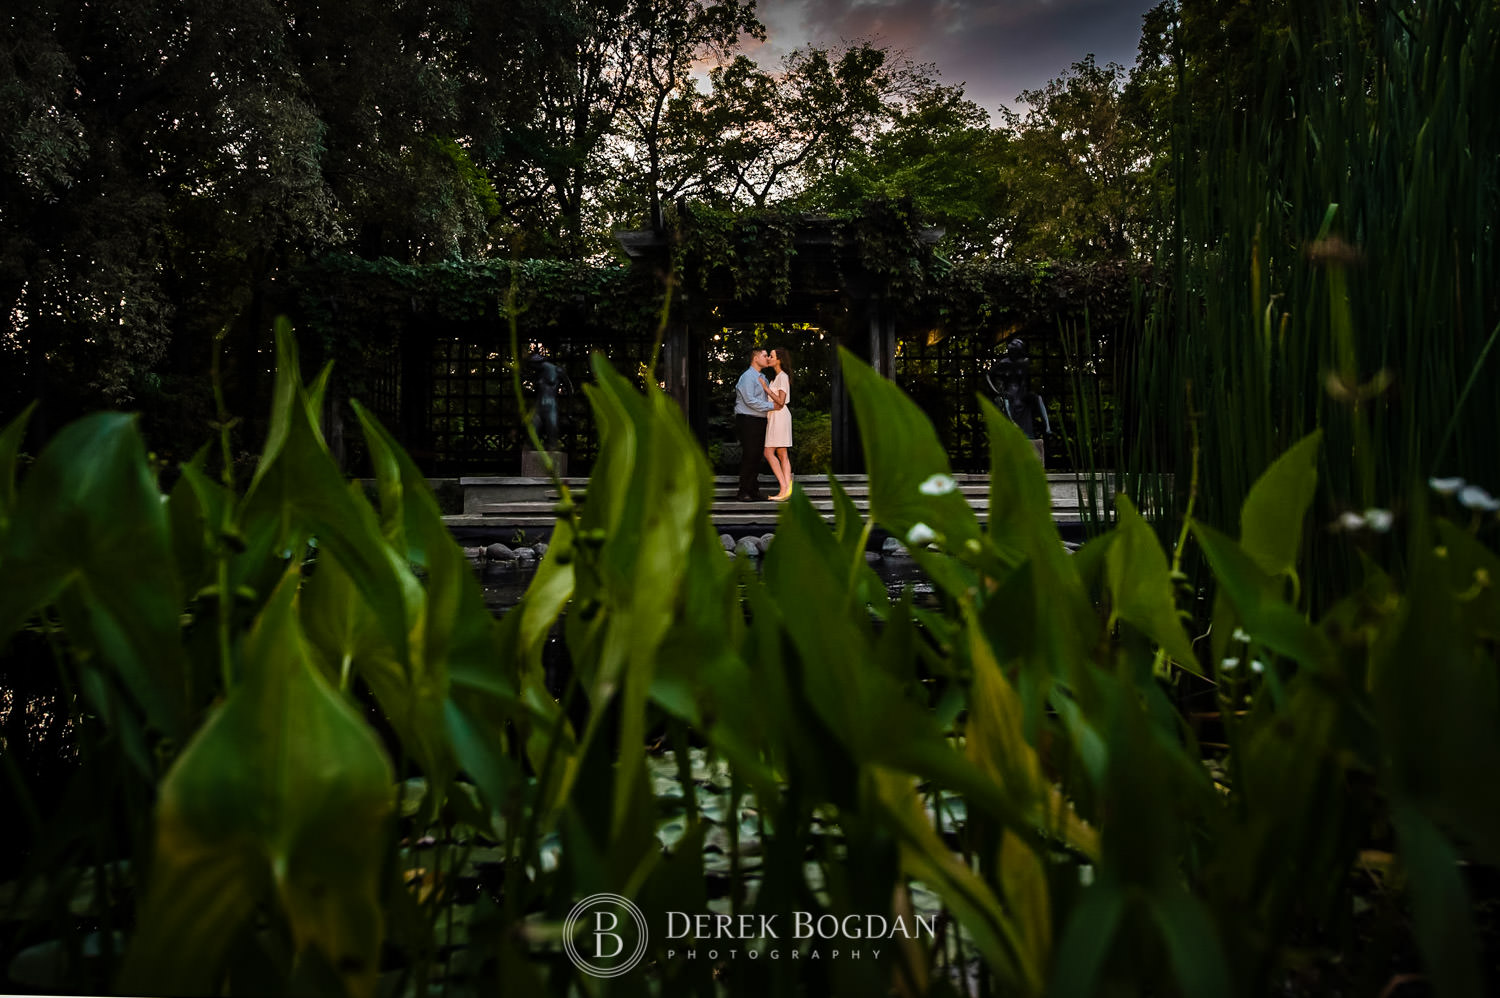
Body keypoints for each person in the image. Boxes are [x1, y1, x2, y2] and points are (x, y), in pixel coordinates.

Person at [733, 347, 782, 501]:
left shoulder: (763, 378)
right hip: (748, 419)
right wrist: (772, 406)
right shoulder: (748, 377)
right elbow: (750, 400)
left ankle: (753, 490)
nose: (767, 358)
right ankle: (743, 492)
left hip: (759, 420)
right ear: (755, 358)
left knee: (756, 456)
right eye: (764, 355)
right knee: (750, 454)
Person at [762, 347, 793, 500]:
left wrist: (766, 389)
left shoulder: (782, 377)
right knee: (782, 453)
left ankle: (784, 487)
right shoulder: (777, 377)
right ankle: (785, 490)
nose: (768, 358)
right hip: (775, 416)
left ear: (779, 360)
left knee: (768, 452)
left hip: (780, 416)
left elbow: (780, 401)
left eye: (771, 356)